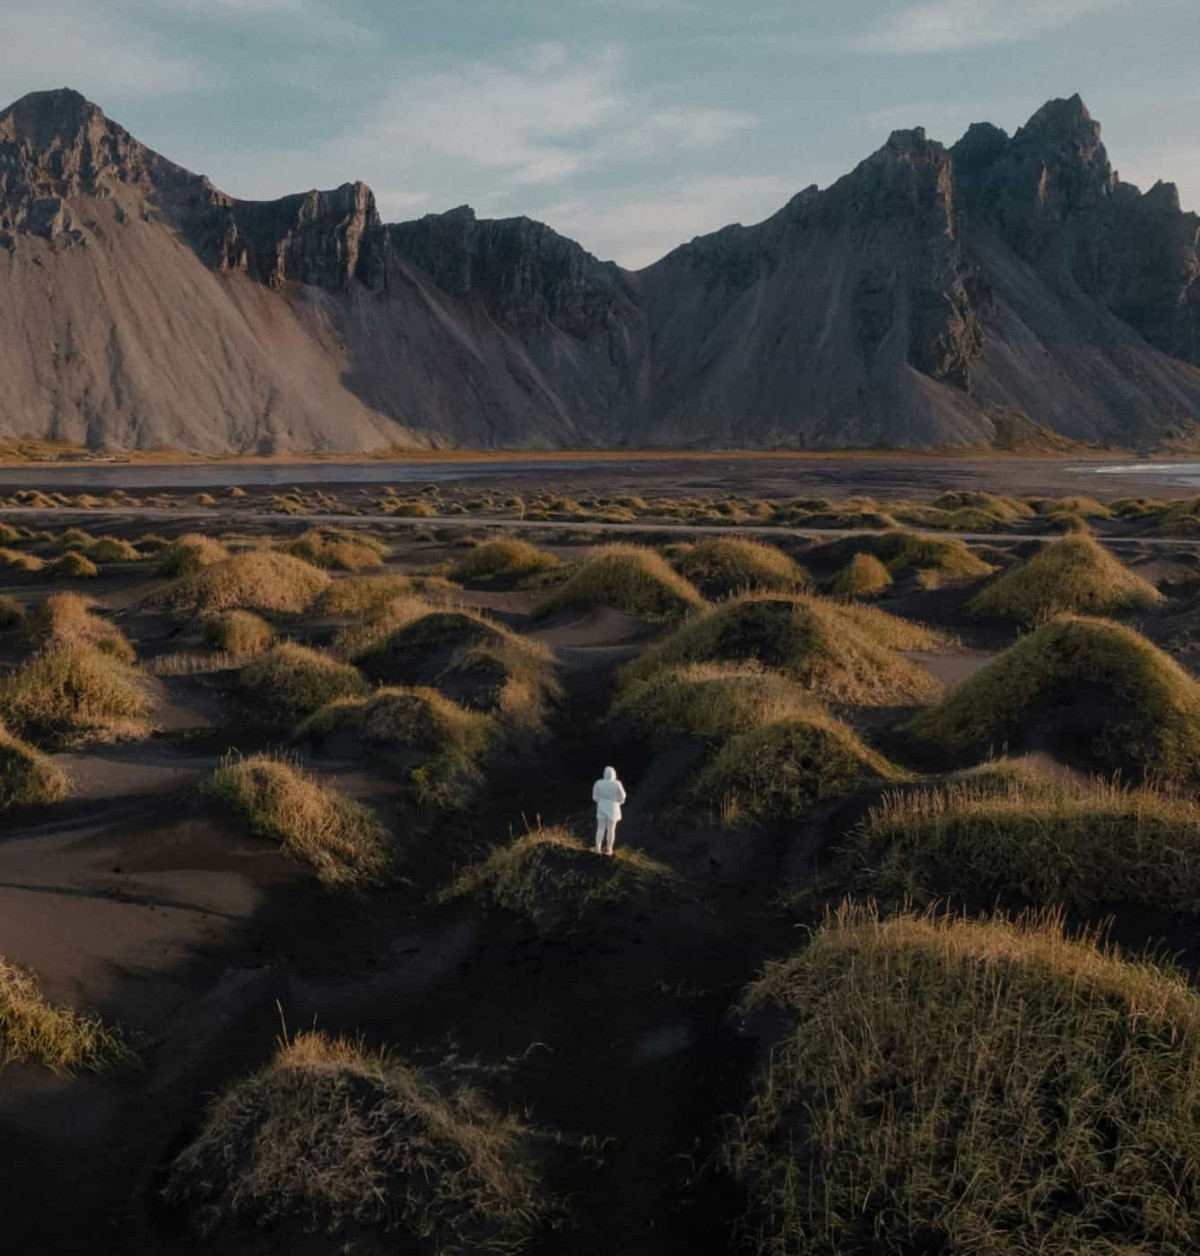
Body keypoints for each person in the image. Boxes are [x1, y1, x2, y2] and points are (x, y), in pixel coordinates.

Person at [592, 766, 627, 856]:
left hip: (602, 807)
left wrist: (601, 801)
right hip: (613, 808)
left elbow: (594, 797)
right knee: (611, 830)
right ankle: (609, 849)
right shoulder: (617, 784)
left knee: (600, 828)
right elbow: (623, 796)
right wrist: (618, 802)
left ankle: (597, 848)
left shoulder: (598, 783)